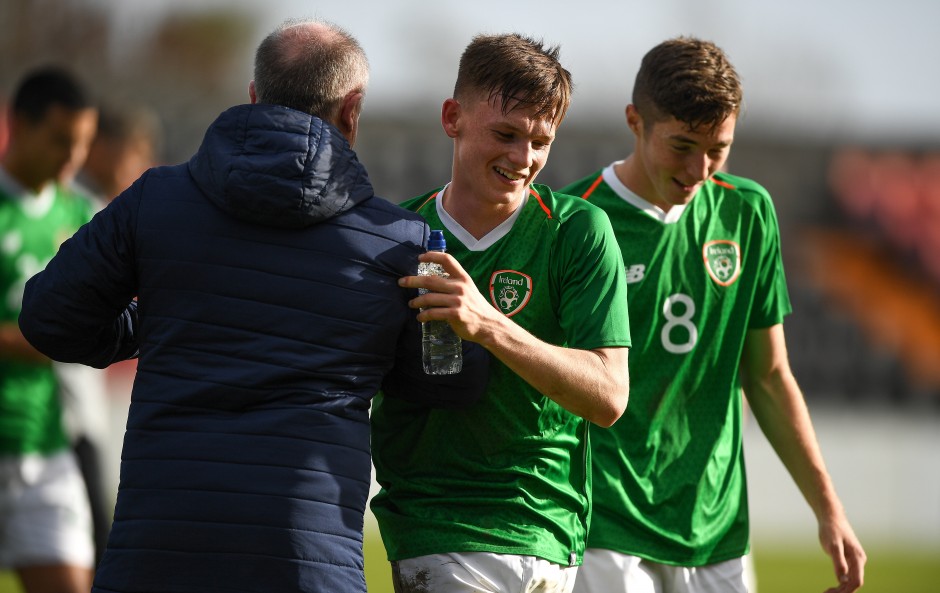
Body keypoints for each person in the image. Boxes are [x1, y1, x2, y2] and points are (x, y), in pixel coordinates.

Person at [18, 18, 487, 593]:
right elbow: (451, 381)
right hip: (306, 556)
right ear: (352, 110)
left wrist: (150, 323)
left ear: (253, 95)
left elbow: (48, 317)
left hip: (159, 548)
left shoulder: (153, 199)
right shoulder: (401, 242)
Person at [560, 36, 866, 593]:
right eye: (681, 146)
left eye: (718, 148)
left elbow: (769, 377)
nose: (699, 168)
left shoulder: (747, 212)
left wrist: (829, 509)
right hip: (603, 521)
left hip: (715, 525)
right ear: (635, 122)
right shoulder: (577, 221)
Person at [370, 33, 632, 593]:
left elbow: (610, 396)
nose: (523, 159)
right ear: (452, 118)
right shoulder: (392, 237)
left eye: (541, 142)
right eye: (506, 134)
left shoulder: (577, 231)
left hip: (550, 532)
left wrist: (488, 325)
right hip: (438, 529)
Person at [0, 66, 98, 593]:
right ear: (19, 124)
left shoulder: (82, 213)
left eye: (82, 143)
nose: (73, 156)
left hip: (44, 445)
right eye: (61, 139)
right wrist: (39, 337)